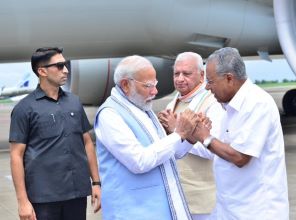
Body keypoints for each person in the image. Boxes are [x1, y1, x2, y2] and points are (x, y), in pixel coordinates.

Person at [94, 55, 208, 220]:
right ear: (126, 85)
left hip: (157, 209)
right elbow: (139, 161)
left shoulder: (142, 108)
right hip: (132, 211)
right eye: (148, 86)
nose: (155, 91)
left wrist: (191, 137)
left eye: (155, 84)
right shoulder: (110, 115)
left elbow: (169, 153)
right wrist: (178, 134)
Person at [191, 47, 289, 219]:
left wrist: (205, 136)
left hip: (257, 210)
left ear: (229, 78)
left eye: (211, 81)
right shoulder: (226, 106)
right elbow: (217, 149)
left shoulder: (257, 103)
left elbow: (240, 157)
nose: (207, 87)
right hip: (231, 207)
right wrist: (193, 133)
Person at [9, 47, 101, 220]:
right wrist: (22, 201)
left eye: (65, 65)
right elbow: (16, 155)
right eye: (59, 66)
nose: (65, 70)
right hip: (44, 198)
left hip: (76, 194)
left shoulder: (74, 102)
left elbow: (87, 142)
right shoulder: (24, 109)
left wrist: (96, 182)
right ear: (42, 71)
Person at [158, 52, 224, 220]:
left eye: (186, 73)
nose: (180, 79)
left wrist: (176, 133)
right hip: (177, 195)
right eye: (176, 73)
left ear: (202, 76)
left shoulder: (212, 103)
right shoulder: (172, 103)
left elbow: (214, 150)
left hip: (202, 200)